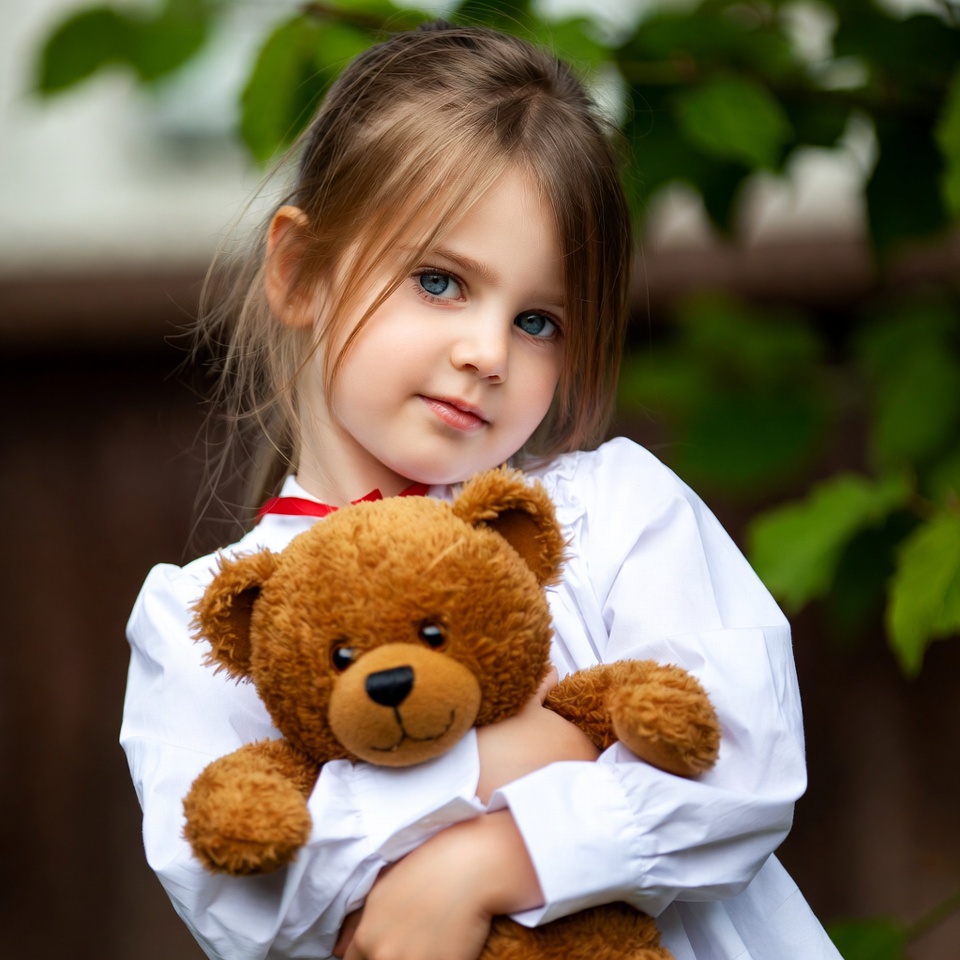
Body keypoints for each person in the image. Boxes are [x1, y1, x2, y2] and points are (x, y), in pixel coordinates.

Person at [120, 19, 841, 960]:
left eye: (539, 319)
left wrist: (478, 868)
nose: (489, 353)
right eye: (440, 281)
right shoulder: (206, 623)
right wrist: (525, 749)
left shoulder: (608, 512)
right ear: (302, 273)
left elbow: (738, 764)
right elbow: (248, 888)